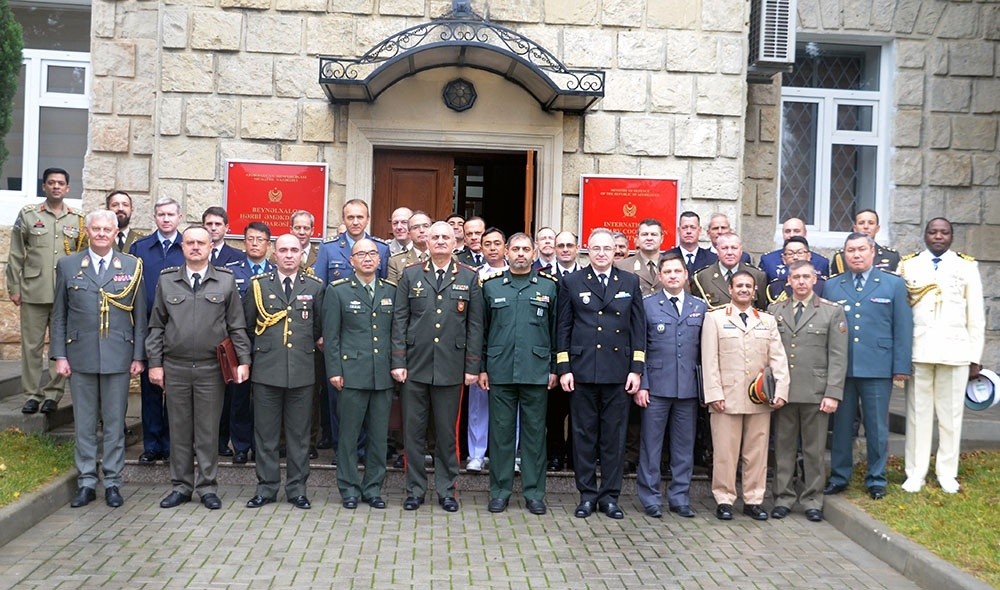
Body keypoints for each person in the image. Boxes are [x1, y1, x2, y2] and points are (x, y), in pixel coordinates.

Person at [146, 226, 251, 510]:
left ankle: (207, 487)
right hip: (176, 367)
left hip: (210, 369)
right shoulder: (167, 281)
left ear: (210, 247)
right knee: (179, 430)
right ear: (182, 247)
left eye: (200, 243)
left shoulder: (225, 281)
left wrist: (244, 361)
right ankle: (180, 487)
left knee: (207, 431)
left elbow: (236, 326)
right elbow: (156, 326)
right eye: (190, 243)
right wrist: (155, 364)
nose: (195, 247)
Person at [50, 210, 146, 508]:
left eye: (108, 228)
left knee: (116, 424)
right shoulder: (68, 265)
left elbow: (140, 316)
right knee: (85, 424)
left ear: (117, 231)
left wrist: (139, 356)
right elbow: (59, 315)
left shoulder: (131, 265)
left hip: (119, 355)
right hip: (80, 355)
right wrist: (59, 355)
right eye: (96, 228)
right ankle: (87, 482)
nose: (102, 233)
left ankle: (114, 482)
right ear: (87, 231)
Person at [391, 221, 484, 513]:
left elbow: (475, 326)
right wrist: (398, 361)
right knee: (413, 433)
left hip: (451, 367)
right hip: (415, 366)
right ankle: (415, 490)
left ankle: (447, 490)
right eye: (435, 237)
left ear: (455, 242)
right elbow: (399, 320)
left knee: (446, 434)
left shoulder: (469, 277)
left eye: (446, 237)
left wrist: (472, 366)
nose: (441, 241)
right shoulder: (411, 274)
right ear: (426, 242)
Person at [556, 228, 645, 520]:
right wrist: (564, 368)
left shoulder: (630, 281)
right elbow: (564, 328)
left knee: (614, 438)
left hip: (618, 372)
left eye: (608, 248)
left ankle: (609, 497)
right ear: (587, 250)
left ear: (616, 251)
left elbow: (638, 330)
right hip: (582, 371)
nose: (603, 253)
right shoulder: (572, 281)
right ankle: (587, 495)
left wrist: (637, 369)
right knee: (583, 436)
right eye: (596, 248)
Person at [823, 233, 912, 500]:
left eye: (862, 249)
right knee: (841, 426)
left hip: (878, 367)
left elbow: (903, 327)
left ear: (873, 252)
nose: (857, 255)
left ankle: (876, 478)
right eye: (851, 250)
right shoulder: (833, 286)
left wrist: (901, 366)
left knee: (876, 427)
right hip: (843, 369)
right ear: (844, 255)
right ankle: (839, 476)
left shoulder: (893, 284)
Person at [899, 218, 984, 494]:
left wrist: (975, 356)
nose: (938, 236)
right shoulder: (908, 264)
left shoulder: (966, 266)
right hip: (919, 350)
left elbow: (976, 316)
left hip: (955, 351)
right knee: (917, 416)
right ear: (924, 235)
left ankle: (947, 473)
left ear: (951, 236)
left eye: (943, 232)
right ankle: (915, 473)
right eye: (933, 232)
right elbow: (901, 315)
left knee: (951, 417)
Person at [243, 234, 324, 510]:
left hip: (302, 371)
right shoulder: (258, 286)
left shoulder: (314, 287)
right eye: (283, 250)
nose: (289, 255)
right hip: (267, 370)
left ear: (302, 254)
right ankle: (266, 488)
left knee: (299, 435)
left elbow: (318, 329)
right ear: (273, 254)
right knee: (265, 435)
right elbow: (246, 328)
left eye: (294, 250)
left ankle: (297, 489)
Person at [701, 270, 789, 521]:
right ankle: (725, 499)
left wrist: (780, 391)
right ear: (730, 289)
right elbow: (709, 360)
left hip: (759, 398)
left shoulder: (767, 320)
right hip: (726, 398)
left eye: (748, 286)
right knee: (725, 453)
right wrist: (713, 393)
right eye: (739, 285)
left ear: (754, 291)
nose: (743, 290)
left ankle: (753, 499)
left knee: (757, 453)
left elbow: (778, 359)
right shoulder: (715, 319)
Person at [480, 233, 558, 514]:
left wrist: (553, 368)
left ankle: (534, 492)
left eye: (526, 249)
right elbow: (482, 332)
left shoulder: (549, 287)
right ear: (507, 253)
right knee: (500, 435)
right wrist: (481, 368)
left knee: (535, 435)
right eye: (516, 249)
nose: (521, 254)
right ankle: (499, 491)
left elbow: (555, 330)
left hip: (536, 371)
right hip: (500, 370)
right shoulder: (490, 287)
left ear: (535, 252)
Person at [768, 259, 847, 522]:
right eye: (796, 277)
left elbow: (838, 356)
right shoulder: (775, 310)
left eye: (806, 277)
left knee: (814, 450)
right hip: (784, 391)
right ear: (788, 281)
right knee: (783, 448)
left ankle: (813, 499)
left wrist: (832, 393)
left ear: (815, 280)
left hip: (816, 392)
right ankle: (783, 497)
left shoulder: (831, 312)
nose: (801, 282)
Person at [324, 238, 396, 509]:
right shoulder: (338, 291)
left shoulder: (391, 290)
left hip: (382, 374)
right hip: (351, 373)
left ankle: (373, 487)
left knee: (379, 436)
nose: (367, 258)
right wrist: (334, 371)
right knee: (349, 436)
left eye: (372, 254)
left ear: (379, 260)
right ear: (351, 261)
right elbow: (331, 337)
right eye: (361, 254)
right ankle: (349, 487)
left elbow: (395, 333)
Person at [6, 167, 84, 415]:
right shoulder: (29, 215)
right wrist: (14, 287)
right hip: (34, 291)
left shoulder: (78, 220)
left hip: (66, 294)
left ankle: (53, 394)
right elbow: (16, 254)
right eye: (51, 183)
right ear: (44, 186)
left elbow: (82, 257)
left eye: (61, 183)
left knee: (59, 346)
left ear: (68, 188)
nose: (56, 187)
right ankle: (31, 394)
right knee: (31, 346)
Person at [634, 253, 706, 519]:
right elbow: (640, 346)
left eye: (678, 271)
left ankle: (679, 497)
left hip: (688, 388)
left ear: (686, 275)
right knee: (651, 446)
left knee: (683, 446)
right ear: (660, 277)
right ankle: (650, 497)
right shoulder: (647, 305)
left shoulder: (700, 306)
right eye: (668, 272)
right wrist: (642, 383)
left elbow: (704, 352)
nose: (673, 276)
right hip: (656, 387)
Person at [129, 197, 185, 464]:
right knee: (151, 389)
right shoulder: (140, 248)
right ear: (154, 217)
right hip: (149, 327)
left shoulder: (188, 246)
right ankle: (152, 445)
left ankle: (174, 444)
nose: (166, 218)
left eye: (170, 214)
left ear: (179, 217)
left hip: (180, 328)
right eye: (161, 214)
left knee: (177, 390)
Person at [222, 222, 275, 465]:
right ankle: (241, 446)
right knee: (239, 396)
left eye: (260, 239)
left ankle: (261, 446)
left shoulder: (277, 271)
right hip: (239, 340)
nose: (255, 243)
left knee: (265, 398)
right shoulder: (230, 272)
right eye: (250, 239)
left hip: (268, 343)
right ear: (243, 242)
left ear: (268, 244)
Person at [203, 206, 247, 459]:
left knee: (232, 394)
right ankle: (211, 442)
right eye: (208, 224)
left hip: (227, 335)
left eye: (218, 224)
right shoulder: (193, 253)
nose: (213, 228)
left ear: (226, 228)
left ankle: (229, 440)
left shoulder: (236, 257)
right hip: (200, 335)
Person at [466, 227, 508, 473]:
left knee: (508, 406)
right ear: (480, 248)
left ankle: (506, 454)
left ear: (505, 247)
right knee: (478, 405)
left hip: (507, 348)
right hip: (480, 346)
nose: (492, 248)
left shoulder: (517, 274)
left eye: (497, 243)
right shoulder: (474, 276)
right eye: (487, 244)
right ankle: (476, 454)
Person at [546, 230, 580, 472]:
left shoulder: (587, 276)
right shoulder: (543, 277)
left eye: (569, 245)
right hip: (552, 351)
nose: (565, 249)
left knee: (579, 413)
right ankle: (555, 455)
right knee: (554, 413)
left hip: (580, 355)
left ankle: (574, 455)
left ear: (578, 248)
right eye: (561, 245)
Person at [314, 199, 389, 282]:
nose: (355, 222)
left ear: (368, 219)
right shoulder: (328, 248)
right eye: (350, 217)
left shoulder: (381, 248)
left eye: (360, 217)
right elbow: (320, 286)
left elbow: (384, 286)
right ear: (343, 220)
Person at [692, 232, 766, 311]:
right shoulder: (703, 276)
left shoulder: (757, 276)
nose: (729, 253)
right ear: (717, 251)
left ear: (741, 251)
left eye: (734, 248)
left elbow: (761, 308)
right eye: (724, 248)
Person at [757, 218, 830, 282]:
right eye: (787, 231)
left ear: (805, 233)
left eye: (796, 231)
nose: (792, 235)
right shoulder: (768, 260)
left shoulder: (821, 262)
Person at [830, 209, 900, 273]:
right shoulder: (841, 257)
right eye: (861, 223)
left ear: (877, 228)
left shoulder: (891, 256)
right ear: (855, 228)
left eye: (871, 223)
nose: (866, 226)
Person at [765, 236, 827, 304]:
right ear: (783, 259)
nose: (795, 257)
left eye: (800, 253)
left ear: (809, 256)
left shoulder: (824, 285)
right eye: (790, 254)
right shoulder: (775, 286)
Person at [614, 218, 665, 297]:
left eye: (654, 234)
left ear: (661, 239)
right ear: (637, 238)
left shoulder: (672, 265)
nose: (649, 238)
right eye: (644, 234)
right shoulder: (621, 267)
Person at [665, 210, 717, 274]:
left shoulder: (712, 258)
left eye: (693, 227)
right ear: (678, 231)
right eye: (685, 227)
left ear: (699, 230)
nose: (688, 231)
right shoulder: (666, 257)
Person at [387, 211, 431, 284]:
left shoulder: (447, 257)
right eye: (415, 227)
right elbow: (392, 292)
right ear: (409, 233)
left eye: (425, 226)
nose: (422, 230)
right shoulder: (395, 261)